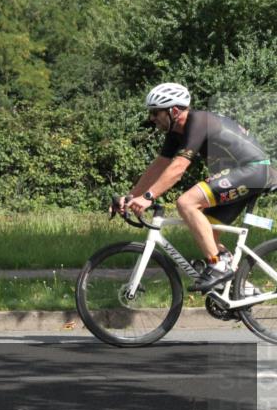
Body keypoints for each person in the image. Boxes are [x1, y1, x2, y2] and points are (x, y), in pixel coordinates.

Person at [114, 82, 273, 292]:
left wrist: (148, 196)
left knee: (186, 203)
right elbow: (159, 166)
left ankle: (217, 265)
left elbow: (178, 168)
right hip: (241, 173)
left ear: (174, 111)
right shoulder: (175, 132)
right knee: (205, 230)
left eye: (155, 112)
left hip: (253, 170)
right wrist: (131, 196)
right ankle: (240, 289)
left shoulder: (198, 121)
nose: (151, 118)